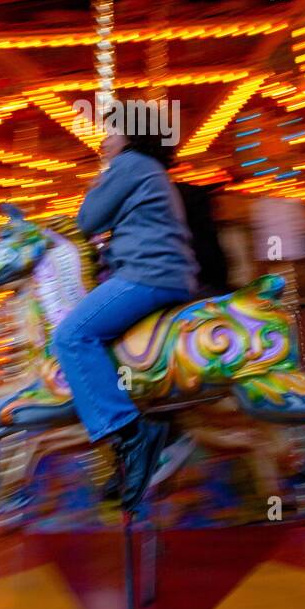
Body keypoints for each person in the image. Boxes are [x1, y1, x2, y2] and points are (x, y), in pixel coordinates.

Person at [52, 121, 198, 510]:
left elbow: (86, 221)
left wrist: (95, 186)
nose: (103, 141)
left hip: (147, 275)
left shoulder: (129, 164)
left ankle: (132, 437)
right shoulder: (151, 170)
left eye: (111, 132)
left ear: (132, 136)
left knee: (71, 336)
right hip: (169, 274)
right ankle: (159, 440)